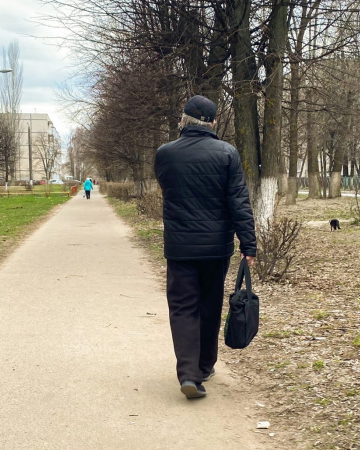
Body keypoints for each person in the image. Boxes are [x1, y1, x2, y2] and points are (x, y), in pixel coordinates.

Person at [154, 95, 257, 399]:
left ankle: (188, 374)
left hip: (180, 247)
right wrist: (248, 244)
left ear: (182, 121)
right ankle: (204, 366)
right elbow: (239, 202)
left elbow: (170, 189)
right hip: (216, 247)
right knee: (210, 305)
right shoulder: (227, 154)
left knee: (184, 308)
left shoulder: (165, 154)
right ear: (213, 123)